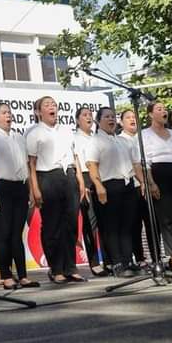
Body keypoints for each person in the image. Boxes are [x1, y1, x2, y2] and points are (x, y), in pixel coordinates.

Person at [27, 95, 87, 284]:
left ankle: (71, 267)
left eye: (53, 104)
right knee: (52, 226)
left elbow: (75, 156)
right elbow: (31, 162)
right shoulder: (34, 133)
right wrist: (35, 188)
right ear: (38, 112)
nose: (52, 107)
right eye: (47, 105)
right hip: (47, 177)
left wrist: (79, 180)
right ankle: (56, 268)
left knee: (70, 224)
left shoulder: (66, 130)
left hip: (68, 176)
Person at [0, 102, 38, 289]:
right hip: (0, 187)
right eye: (4, 113)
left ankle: (23, 275)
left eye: (9, 112)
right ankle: (5, 274)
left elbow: (26, 166)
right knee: (2, 233)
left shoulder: (19, 137)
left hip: (19, 188)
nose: (8, 116)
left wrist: (29, 190)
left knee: (16, 234)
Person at [86, 107, 142, 278]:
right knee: (112, 228)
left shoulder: (124, 141)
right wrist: (99, 185)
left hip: (127, 185)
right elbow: (91, 165)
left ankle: (127, 260)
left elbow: (136, 164)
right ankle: (117, 263)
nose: (111, 119)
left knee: (127, 226)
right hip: (108, 185)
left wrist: (143, 182)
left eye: (113, 116)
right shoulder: (95, 141)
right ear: (98, 121)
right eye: (107, 117)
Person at [141, 102, 172, 271]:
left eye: (164, 109)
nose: (164, 111)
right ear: (150, 115)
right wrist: (151, 182)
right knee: (166, 216)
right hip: (158, 173)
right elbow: (145, 162)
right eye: (159, 109)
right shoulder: (145, 135)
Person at [117, 109, 153, 265]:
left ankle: (157, 256)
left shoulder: (144, 137)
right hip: (132, 186)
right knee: (135, 224)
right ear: (121, 121)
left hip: (149, 183)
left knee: (152, 222)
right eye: (128, 117)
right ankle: (139, 258)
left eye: (134, 117)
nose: (132, 120)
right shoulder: (119, 140)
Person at [73, 107, 104, 275]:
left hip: (100, 176)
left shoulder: (97, 137)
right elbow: (76, 159)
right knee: (90, 221)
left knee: (104, 220)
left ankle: (109, 260)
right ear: (78, 120)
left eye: (90, 115)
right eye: (84, 115)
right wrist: (81, 183)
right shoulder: (74, 138)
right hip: (84, 177)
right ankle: (94, 261)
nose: (88, 118)